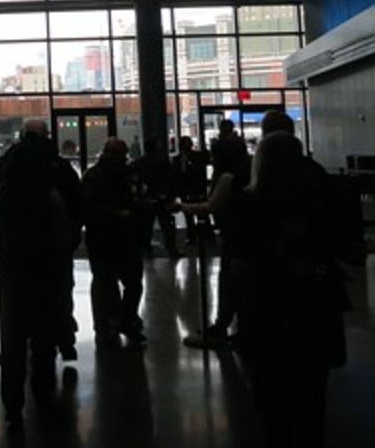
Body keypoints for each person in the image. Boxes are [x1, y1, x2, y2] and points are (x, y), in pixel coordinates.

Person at [237, 131, 361, 447]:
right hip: (314, 306)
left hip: (269, 309)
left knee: (273, 403)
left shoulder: (252, 203)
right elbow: (345, 245)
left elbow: (244, 254)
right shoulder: (321, 197)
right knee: (312, 394)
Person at [0, 137, 72, 426]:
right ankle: (44, 395)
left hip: (13, 274)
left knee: (13, 343)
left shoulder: (2, 192)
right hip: (46, 274)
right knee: (43, 340)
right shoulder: (50, 196)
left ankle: (13, 407)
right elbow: (61, 235)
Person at [180, 131, 248, 346]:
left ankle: (221, 326)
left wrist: (183, 207)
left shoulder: (228, 178)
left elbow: (212, 205)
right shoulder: (245, 172)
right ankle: (241, 327)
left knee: (228, 281)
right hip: (242, 235)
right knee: (240, 283)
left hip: (233, 235)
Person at [82, 137, 147, 347]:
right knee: (133, 282)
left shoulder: (92, 176)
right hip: (127, 237)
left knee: (103, 282)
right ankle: (126, 319)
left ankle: (104, 324)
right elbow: (139, 200)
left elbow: (88, 208)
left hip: (101, 237)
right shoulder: (130, 174)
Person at [129, 139, 181, 258]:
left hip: (147, 199)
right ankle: (171, 248)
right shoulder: (163, 161)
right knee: (167, 226)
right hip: (162, 198)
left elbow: (135, 181)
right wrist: (171, 196)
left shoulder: (138, 163)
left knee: (146, 226)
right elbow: (171, 179)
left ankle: (146, 248)